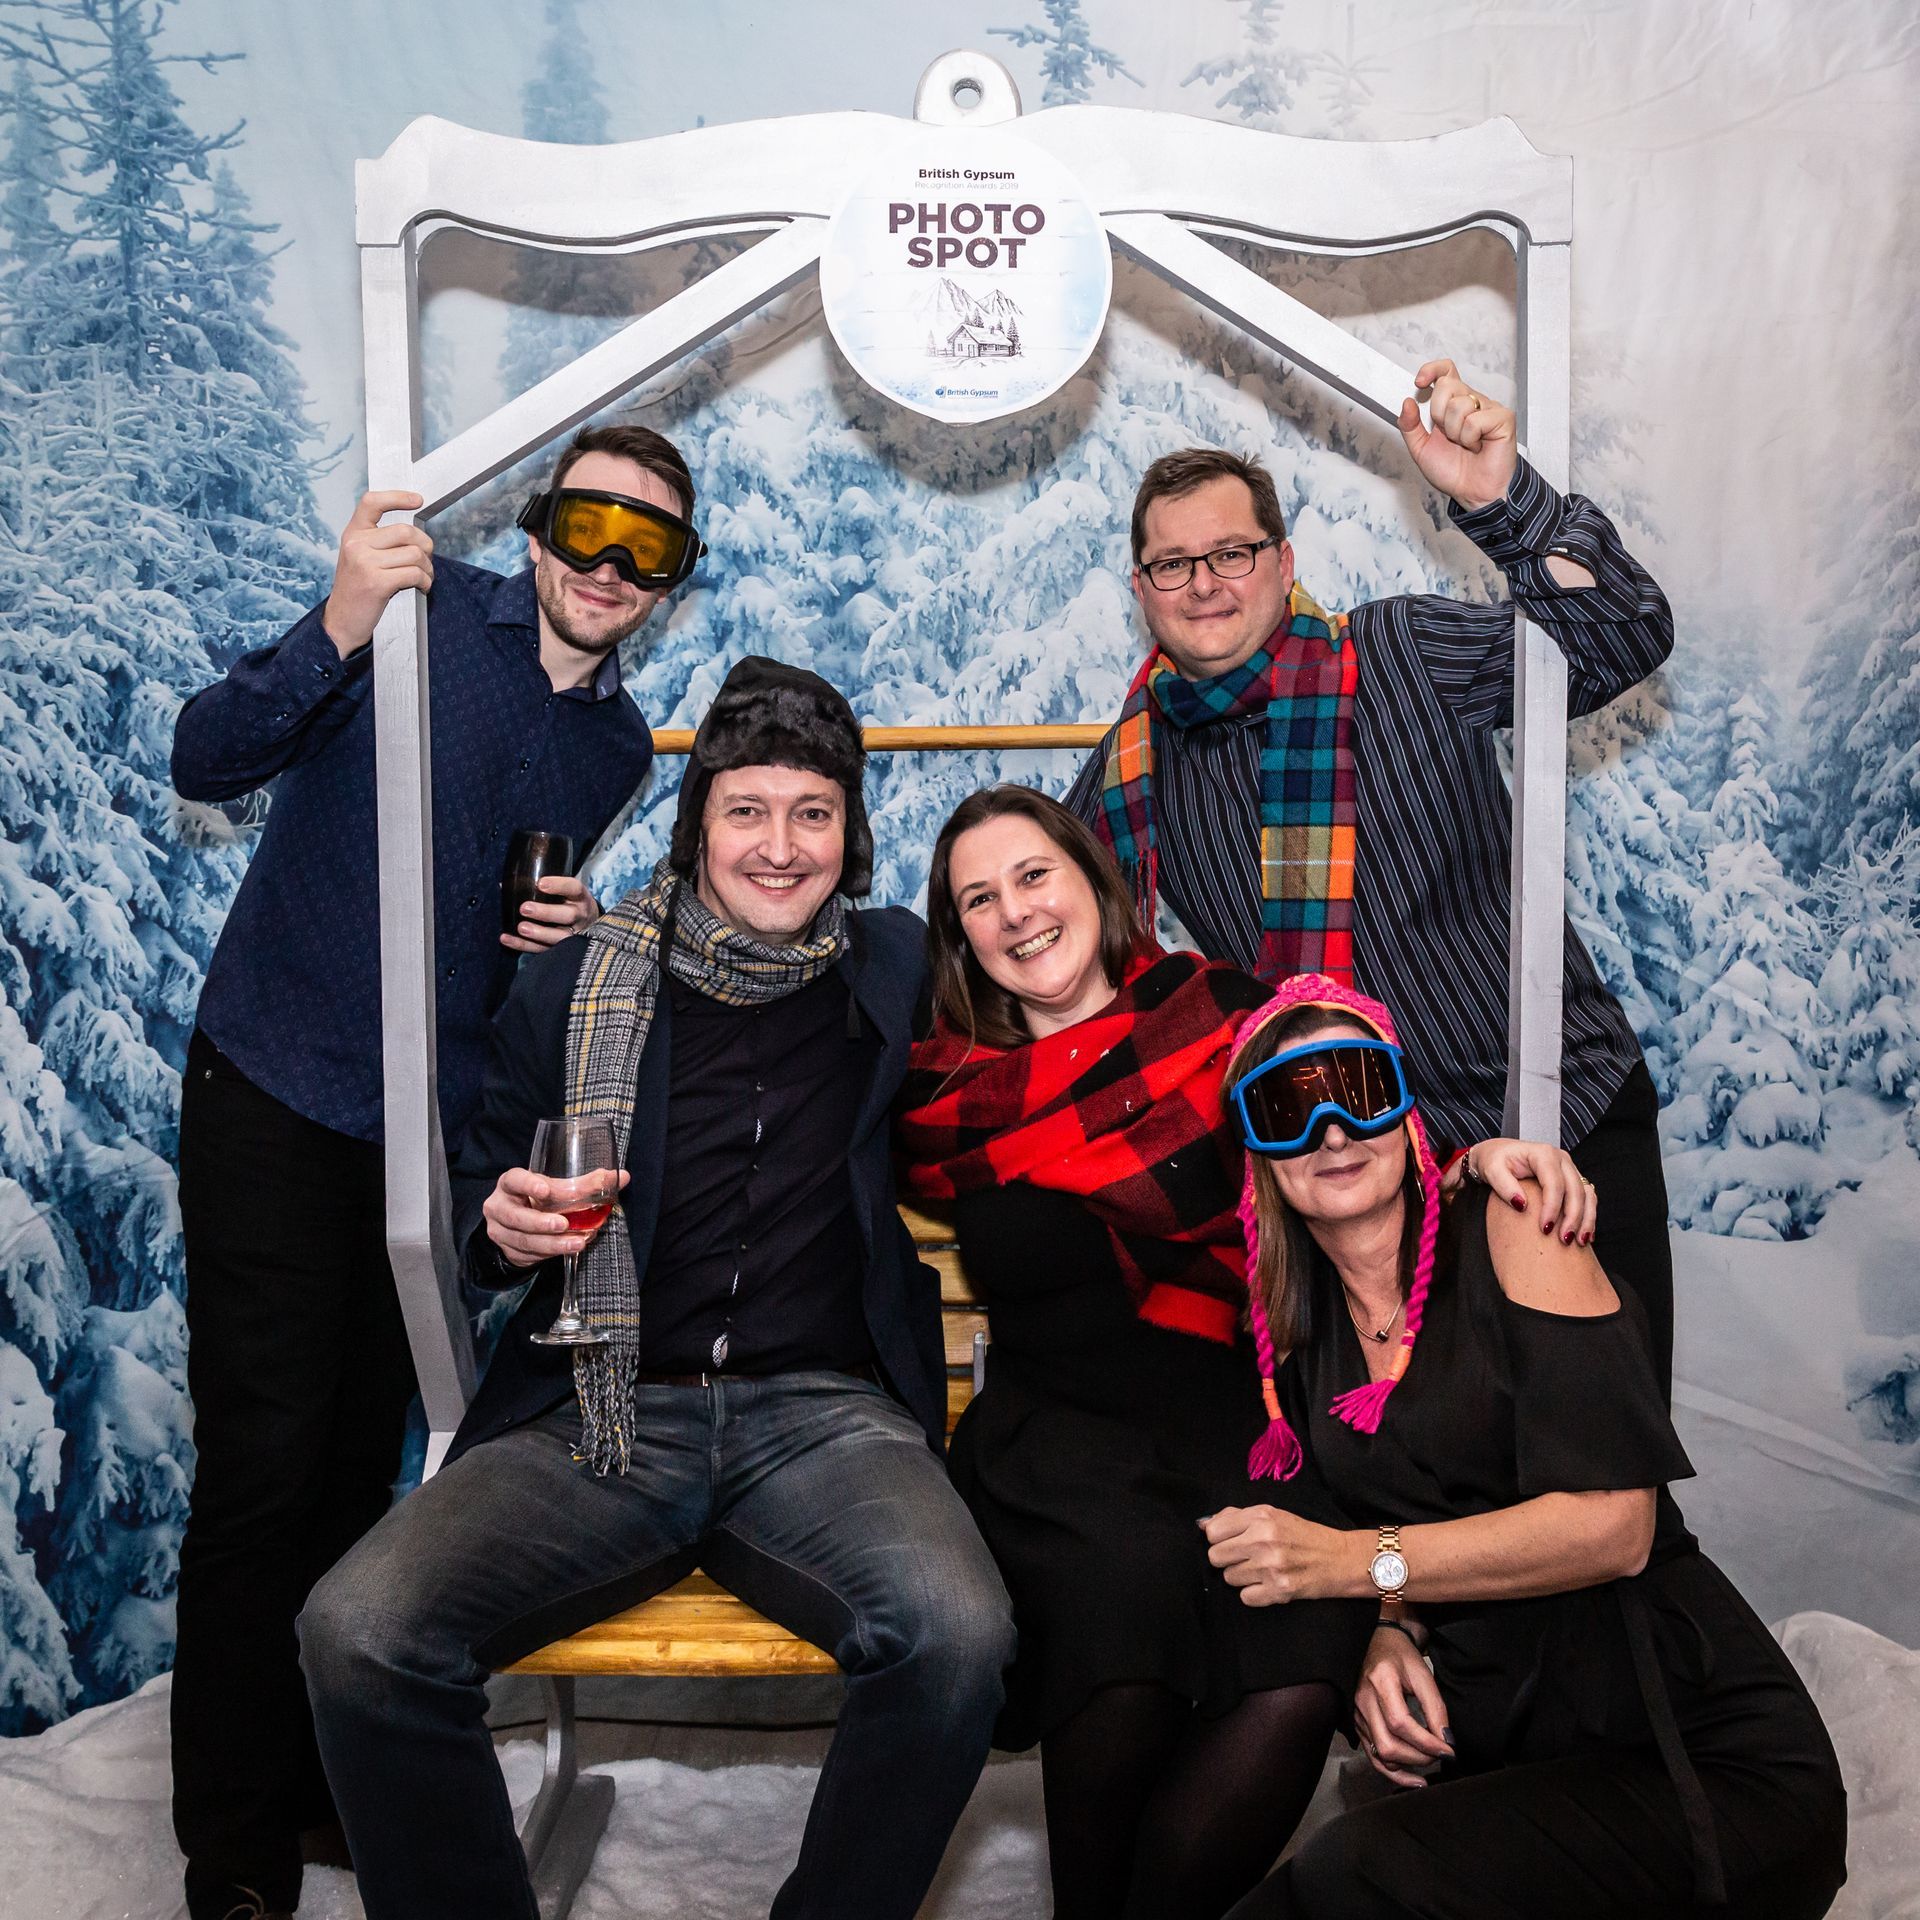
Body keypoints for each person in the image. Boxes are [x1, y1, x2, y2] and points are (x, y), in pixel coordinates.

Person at [297, 657, 1016, 1920]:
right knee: (358, 1630)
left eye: (813, 812)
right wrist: (500, 1228)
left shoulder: (899, 969)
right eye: (746, 809)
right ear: (699, 827)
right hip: (596, 1408)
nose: (779, 847)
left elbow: (1059, 1018)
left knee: (958, 1638)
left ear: (851, 833)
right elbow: (481, 1182)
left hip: (824, 1416)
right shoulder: (580, 978)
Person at [897, 785, 1598, 1920]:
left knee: (1301, 1654)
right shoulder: (941, 1096)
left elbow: (1358, 1134)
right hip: (1053, 1446)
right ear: (959, 934)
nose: (1016, 913)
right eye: (979, 898)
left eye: (1034, 876)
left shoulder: (1219, 1016)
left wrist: (1483, 1166)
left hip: (1242, 1414)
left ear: (1092, 882)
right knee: (1121, 1612)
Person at [166, 422, 693, 1920]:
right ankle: (236, 1854)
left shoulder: (617, 747)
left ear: (669, 583)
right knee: (266, 1470)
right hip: (278, 1082)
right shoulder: (411, 609)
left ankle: (319, 1788)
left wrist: (549, 936)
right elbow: (209, 753)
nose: (608, 564)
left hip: (421, 1144)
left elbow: (483, 923)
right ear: (537, 528)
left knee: (356, 1470)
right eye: (590, 525)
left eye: (647, 548)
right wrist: (337, 618)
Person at [1065, 359, 1681, 1393]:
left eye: (1230, 552)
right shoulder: (1135, 763)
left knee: (1603, 1490)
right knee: (1425, 1488)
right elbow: (1040, 944)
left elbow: (1622, 635)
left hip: (1555, 1118)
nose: (1205, 582)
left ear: (1282, 559)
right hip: (1351, 1172)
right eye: (1173, 566)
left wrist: (1502, 501)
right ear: (1142, 592)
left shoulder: (1397, 651)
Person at [1208, 972, 1847, 1920]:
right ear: (1259, 1155)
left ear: (1407, 1112)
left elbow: (1614, 1527)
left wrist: (1354, 1570)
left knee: (1355, 1876)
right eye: (1287, 1106)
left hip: (1698, 1764)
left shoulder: (1515, 1227)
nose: (1332, 1130)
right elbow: (1420, 1513)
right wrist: (1390, 1635)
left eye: (1360, 1088)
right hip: (1517, 1759)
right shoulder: (1299, 1345)